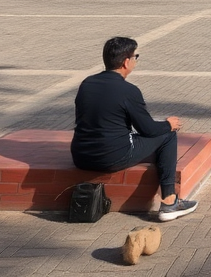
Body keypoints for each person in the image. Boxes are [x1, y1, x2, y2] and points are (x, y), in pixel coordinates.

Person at [71, 37, 197, 222]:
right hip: (112, 157)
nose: (136, 61)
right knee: (167, 135)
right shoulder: (128, 90)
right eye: (135, 56)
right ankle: (169, 202)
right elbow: (148, 130)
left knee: (143, 134)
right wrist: (168, 124)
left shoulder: (87, 84)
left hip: (81, 156)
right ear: (126, 62)